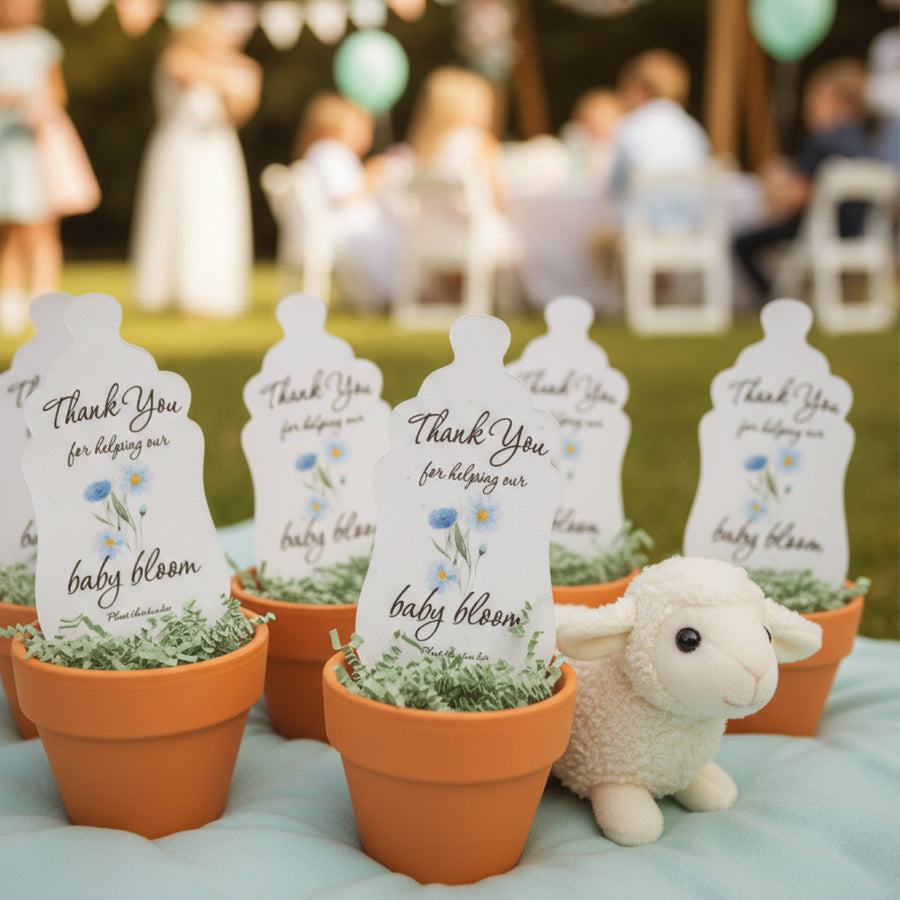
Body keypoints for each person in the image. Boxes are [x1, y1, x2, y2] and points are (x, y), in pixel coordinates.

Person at [130, 0, 261, 319]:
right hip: (180, 149)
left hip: (217, 151)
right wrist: (236, 76)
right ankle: (176, 292)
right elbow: (192, 74)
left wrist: (241, 86)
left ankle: (211, 294)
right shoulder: (177, 58)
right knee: (183, 213)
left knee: (213, 218)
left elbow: (236, 112)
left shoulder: (238, 69)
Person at [733, 58, 871, 302]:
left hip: (820, 228)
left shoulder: (821, 141)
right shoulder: (865, 142)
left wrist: (775, 187)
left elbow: (799, 196)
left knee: (741, 242)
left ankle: (774, 300)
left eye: (813, 99)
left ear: (836, 100)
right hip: (860, 231)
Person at [0, 0, 99, 333]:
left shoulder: (42, 45)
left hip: (38, 145)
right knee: (10, 229)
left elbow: (57, 93)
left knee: (42, 226)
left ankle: (44, 297)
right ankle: (9, 300)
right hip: (4, 146)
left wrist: (35, 105)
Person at [292, 91, 397, 310]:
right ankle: (391, 295)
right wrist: (371, 178)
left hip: (344, 228)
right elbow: (341, 196)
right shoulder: (330, 152)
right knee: (398, 239)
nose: (366, 136)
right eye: (361, 130)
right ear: (337, 129)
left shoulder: (326, 154)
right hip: (349, 230)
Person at [560, 88, 622, 188]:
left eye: (604, 116)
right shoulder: (575, 150)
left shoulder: (621, 150)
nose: (599, 123)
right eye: (592, 119)